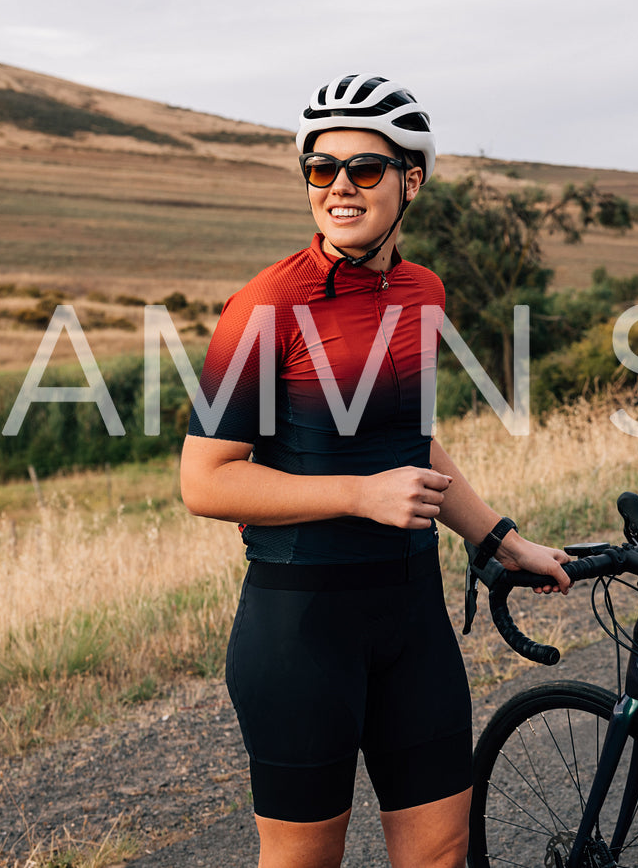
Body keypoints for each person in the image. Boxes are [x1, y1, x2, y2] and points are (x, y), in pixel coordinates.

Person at [180, 72, 571, 868]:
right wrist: (361, 495)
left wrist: (501, 540)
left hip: (411, 619)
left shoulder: (421, 291)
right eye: (320, 169)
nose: (339, 187)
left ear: (411, 179)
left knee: (438, 854)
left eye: (364, 169)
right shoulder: (267, 305)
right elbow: (207, 480)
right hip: (300, 631)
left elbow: (409, 446)